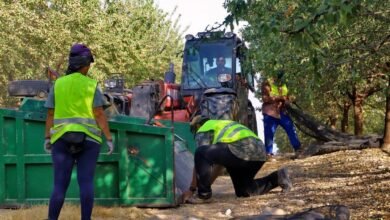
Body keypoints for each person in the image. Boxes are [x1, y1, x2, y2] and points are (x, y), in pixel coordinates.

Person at [44, 43, 114, 220]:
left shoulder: (58, 84)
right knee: (86, 183)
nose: (89, 67)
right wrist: (109, 138)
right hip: (89, 140)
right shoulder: (91, 85)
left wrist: (47, 137)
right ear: (84, 65)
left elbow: (51, 113)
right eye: (89, 64)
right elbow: (98, 113)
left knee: (59, 186)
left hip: (61, 139)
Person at [185, 116, 292, 204]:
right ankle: (278, 177)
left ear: (198, 125)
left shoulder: (204, 127)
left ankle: (204, 196)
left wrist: (193, 190)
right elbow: (219, 166)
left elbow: (201, 158)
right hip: (258, 152)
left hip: (240, 149)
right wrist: (205, 185)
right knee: (244, 191)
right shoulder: (222, 125)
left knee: (200, 152)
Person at [261, 70, 301, 159]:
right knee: (269, 133)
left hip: (282, 112)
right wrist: (280, 98)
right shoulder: (267, 83)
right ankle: (268, 154)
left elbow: (289, 96)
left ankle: (298, 149)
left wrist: (288, 100)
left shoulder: (285, 84)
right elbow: (265, 98)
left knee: (290, 128)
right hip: (270, 113)